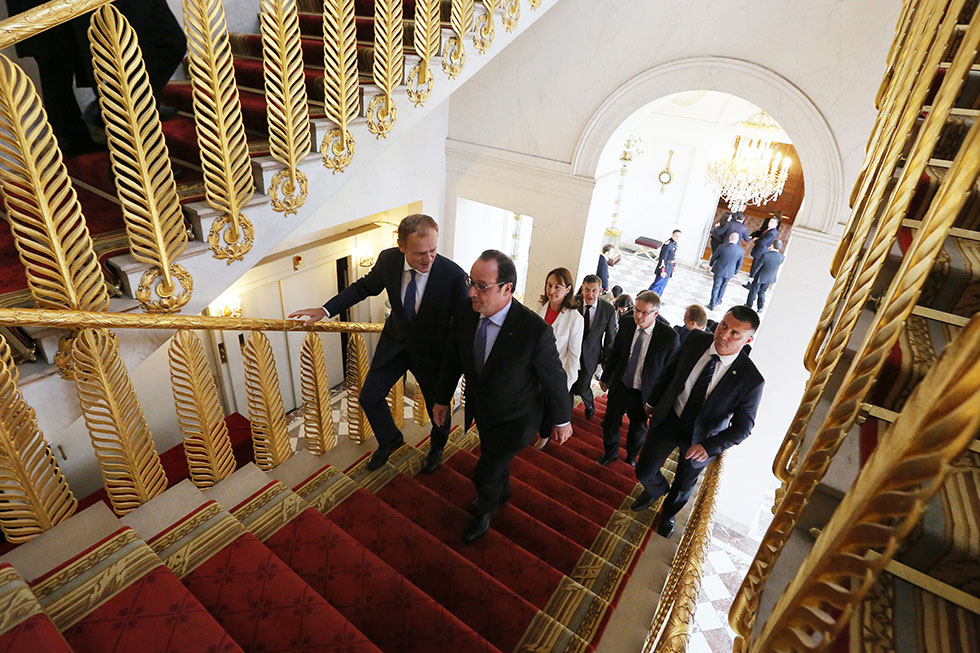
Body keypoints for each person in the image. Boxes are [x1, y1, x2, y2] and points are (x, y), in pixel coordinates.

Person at [288, 214, 467, 474]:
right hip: (395, 344)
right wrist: (325, 310)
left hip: (432, 355)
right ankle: (390, 439)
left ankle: (437, 448)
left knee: (437, 409)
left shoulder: (453, 276)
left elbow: (463, 326)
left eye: (433, 250)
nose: (429, 259)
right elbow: (363, 288)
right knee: (369, 396)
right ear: (401, 246)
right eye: (420, 253)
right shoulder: (388, 260)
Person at [433, 250, 572, 542]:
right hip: (483, 411)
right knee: (493, 457)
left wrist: (561, 419)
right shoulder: (465, 311)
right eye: (472, 282)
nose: (472, 292)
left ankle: (485, 511)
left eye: (482, 286)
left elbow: (554, 378)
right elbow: (452, 358)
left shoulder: (534, 330)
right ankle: (503, 489)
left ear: (507, 289)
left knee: (484, 471)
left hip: (517, 418)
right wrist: (442, 398)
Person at [632, 306, 765, 538]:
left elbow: (743, 428)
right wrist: (653, 401)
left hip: (702, 439)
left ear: (748, 339)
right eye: (723, 325)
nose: (724, 335)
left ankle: (668, 515)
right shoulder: (695, 340)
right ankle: (656, 490)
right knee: (644, 470)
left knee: (683, 484)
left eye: (735, 333)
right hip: (670, 418)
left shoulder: (751, 380)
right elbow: (670, 372)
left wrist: (709, 446)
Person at [597, 290, 679, 467]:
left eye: (644, 312)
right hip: (621, 384)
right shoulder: (627, 322)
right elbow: (616, 352)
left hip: (644, 392)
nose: (638, 316)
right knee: (610, 422)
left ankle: (631, 457)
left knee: (638, 428)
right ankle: (610, 453)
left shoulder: (669, 337)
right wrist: (605, 377)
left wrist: (658, 401)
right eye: (636, 310)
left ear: (655, 314)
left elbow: (670, 373)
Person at [534, 267, 584, 447]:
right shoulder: (540, 306)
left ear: (568, 289)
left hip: (555, 373)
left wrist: (564, 386)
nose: (552, 291)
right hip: (533, 368)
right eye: (549, 285)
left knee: (548, 407)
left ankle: (544, 436)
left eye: (557, 287)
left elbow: (573, 355)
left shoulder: (575, 318)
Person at [573, 274, 617, 420]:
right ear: (582, 289)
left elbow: (610, 339)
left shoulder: (608, 310)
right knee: (569, 384)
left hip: (591, 356)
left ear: (600, 291)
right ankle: (566, 413)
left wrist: (606, 363)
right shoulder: (573, 302)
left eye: (594, 290)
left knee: (582, 387)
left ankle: (589, 405)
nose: (590, 294)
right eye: (587, 290)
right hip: (571, 352)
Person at [708, 232, 745, 309]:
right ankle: (718, 300)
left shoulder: (722, 246)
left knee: (716, 286)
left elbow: (714, 256)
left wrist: (711, 264)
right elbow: (740, 263)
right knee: (724, 286)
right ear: (738, 240)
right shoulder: (741, 250)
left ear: (729, 238)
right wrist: (735, 272)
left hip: (719, 269)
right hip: (730, 271)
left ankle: (712, 303)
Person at [746, 239, 786, 311]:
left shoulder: (765, 255)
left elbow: (757, 267)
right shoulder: (782, 257)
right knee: (762, 292)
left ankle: (748, 306)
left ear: (772, 245)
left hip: (760, 276)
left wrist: (752, 276)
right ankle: (760, 307)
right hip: (770, 277)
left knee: (753, 291)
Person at [746, 215, 781, 280]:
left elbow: (762, 242)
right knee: (754, 266)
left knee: (755, 268)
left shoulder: (772, 232)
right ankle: (750, 280)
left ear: (776, 224)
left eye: (772, 222)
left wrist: (756, 240)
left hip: (761, 252)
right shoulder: (769, 230)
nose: (770, 223)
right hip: (760, 251)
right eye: (770, 221)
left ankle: (751, 282)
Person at [649, 230, 680, 297]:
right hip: (664, 268)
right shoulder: (668, 245)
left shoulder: (674, 244)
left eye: (679, 237)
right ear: (672, 235)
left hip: (669, 268)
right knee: (657, 285)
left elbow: (674, 257)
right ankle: (648, 299)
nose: (677, 238)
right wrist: (662, 270)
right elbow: (662, 258)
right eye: (676, 236)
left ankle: (657, 299)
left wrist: (673, 266)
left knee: (662, 286)